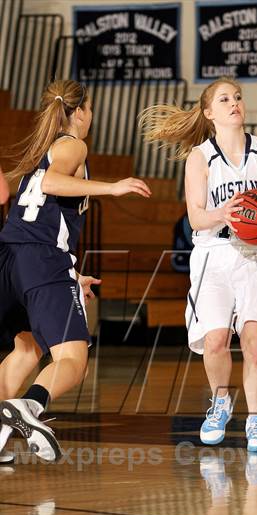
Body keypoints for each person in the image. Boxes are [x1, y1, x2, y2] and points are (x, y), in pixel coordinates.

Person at [139, 77, 257, 452]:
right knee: (215, 341)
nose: (234, 103)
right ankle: (221, 402)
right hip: (213, 254)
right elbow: (195, 218)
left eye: (238, 97)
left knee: (256, 342)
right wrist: (224, 212)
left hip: (256, 255)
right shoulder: (200, 157)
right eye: (224, 99)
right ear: (209, 113)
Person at [0, 79, 151, 463]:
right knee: (74, 358)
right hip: (41, 260)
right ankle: (29, 407)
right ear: (80, 112)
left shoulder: (40, 151)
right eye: (91, 108)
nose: (92, 115)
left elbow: (39, 216)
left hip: (12, 260)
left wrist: (70, 272)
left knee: (26, 348)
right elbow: (51, 184)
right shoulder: (73, 145)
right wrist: (113, 188)